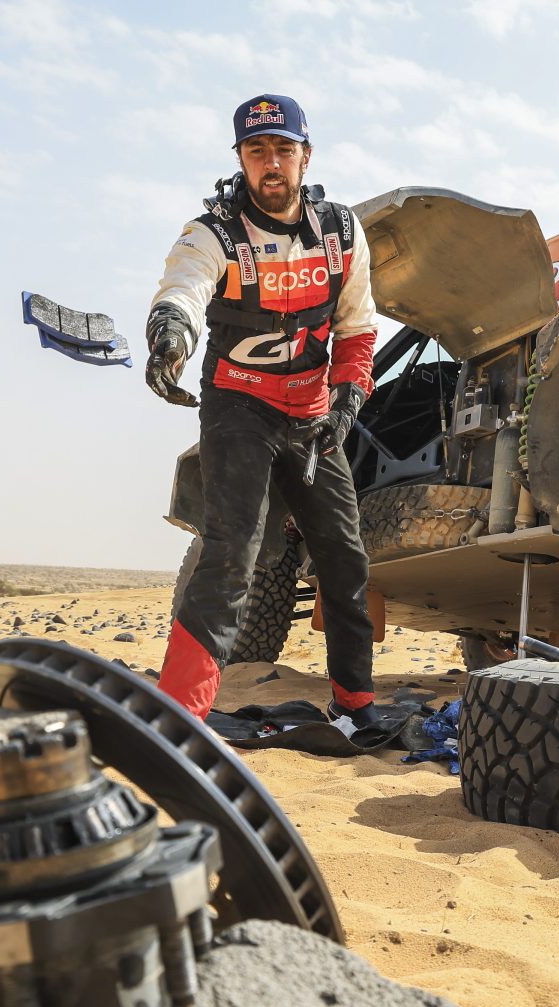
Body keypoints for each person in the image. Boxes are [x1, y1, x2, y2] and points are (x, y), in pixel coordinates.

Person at [145, 93, 379, 726]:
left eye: (282, 149)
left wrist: (347, 401)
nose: (271, 163)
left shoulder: (342, 232)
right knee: (232, 552)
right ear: (240, 159)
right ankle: (181, 715)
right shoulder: (213, 231)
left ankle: (356, 707)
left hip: (313, 415)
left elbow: (358, 328)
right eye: (256, 151)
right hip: (238, 406)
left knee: (345, 557)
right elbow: (184, 287)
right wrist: (170, 334)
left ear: (306, 156)